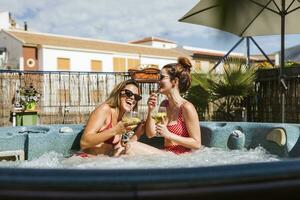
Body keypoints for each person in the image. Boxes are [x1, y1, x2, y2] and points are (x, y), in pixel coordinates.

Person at [80, 79, 161, 157]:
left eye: (136, 97)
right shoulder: (105, 109)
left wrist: (138, 134)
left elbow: (123, 147)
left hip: (105, 163)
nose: (132, 98)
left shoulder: (122, 119)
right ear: (118, 93)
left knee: (132, 148)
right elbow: (84, 142)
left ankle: (166, 160)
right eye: (128, 93)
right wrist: (115, 130)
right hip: (87, 163)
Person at [145, 57, 201, 154]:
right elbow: (150, 134)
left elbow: (197, 144)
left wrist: (169, 135)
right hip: (167, 155)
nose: (158, 81)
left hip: (181, 158)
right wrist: (150, 110)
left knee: (130, 146)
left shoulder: (186, 107)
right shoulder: (164, 105)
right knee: (128, 147)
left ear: (174, 81)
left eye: (162, 77)